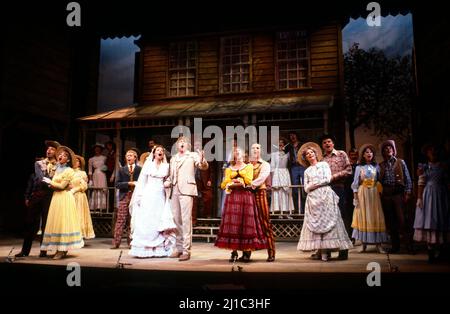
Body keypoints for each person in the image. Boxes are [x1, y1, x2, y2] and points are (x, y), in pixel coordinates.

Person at [297, 142, 353, 261]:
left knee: (330, 222)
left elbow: (327, 179)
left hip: (325, 195)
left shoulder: (324, 165)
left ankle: (329, 250)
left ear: (316, 154)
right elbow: (306, 188)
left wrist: (315, 184)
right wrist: (311, 186)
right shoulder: (307, 171)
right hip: (313, 199)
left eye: (312, 152)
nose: (310, 155)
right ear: (305, 157)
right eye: (308, 154)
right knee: (316, 224)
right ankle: (321, 251)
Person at [215, 147, 268, 262]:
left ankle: (246, 252)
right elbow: (224, 184)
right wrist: (231, 181)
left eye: (239, 152)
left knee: (245, 223)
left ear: (244, 155)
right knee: (233, 223)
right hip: (233, 197)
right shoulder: (229, 169)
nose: (237, 154)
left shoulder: (248, 166)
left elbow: (249, 180)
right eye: (235, 153)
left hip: (245, 196)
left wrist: (240, 180)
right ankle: (233, 251)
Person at [164, 136, 208, 261]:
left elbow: (202, 166)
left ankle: (186, 250)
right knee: (176, 220)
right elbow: (171, 175)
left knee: (186, 220)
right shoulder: (173, 158)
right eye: (180, 142)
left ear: (188, 145)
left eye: (184, 142)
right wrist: (167, 182)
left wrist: (203, 159)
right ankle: (178, 248)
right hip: (174, 190)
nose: (181, 144)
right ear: (177, 145)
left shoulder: (192, 155)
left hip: (187, 190)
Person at [129, 145, 176, 258]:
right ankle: (144, 248)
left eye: (162, 151)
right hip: (148, 194)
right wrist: (139, 196)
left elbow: (169, 178)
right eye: (158, 150)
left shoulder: (166, 166)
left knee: (158, 219)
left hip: (160, 195)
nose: (160, 152)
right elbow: (142, 182)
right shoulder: (148, 165)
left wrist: (168, 184)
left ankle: (159, 248)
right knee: (147, 218)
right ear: (154, 153)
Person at [15, 140, 60, 258]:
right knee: (30, 222)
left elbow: (60, 178)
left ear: (56, 152)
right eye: (48, 148)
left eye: (52, 149)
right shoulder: (39, 163)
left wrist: (54, 181)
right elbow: (40, 177)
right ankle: (25, 250)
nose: (49, 150)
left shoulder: (59, 165)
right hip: (38, 194)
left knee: (46, 223)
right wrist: (52, 181)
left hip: (50, 196)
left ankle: (43, 250)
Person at [40, 146, 84, 259]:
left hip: (64, 198)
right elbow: (56, 186)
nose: (61, 156)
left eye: (65, 156)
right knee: (56, 222)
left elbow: (62, 186)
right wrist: (51, 184)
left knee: (63, 222)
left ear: (68, 160)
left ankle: (62, 250)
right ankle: (58, 249)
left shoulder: (69, 170)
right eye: (60, 154)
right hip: (56, 197)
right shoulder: (57, 168)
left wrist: (51, 183)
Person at [414, 144, 450, 262]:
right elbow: (421, 183)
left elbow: (447, 182)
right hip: (428, 195)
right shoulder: (424, 167)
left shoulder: (443, 166)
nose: (433, 153)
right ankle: (430, 251)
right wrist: (419, 198)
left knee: (440, 220)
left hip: (441, 195)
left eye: (435, 150)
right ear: (427, 153)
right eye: (430, 151)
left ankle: (441, 251)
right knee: (429, 220)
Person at [351, 144, 388, 253]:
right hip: (363, 194)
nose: (369, 154)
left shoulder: (376, 167)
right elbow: (355, 184)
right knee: (364, 217)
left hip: (374, 194)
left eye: (370, 152)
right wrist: (355, 198)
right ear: (363, 155)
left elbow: (379, 180)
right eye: (366, 152)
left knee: (375, 216)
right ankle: (363, 244)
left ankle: (379, 244)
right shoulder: (359, 167)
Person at [321, 134, 352, 260]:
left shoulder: (341, 154)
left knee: (342, 218)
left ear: (333, 143)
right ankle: (327, 249)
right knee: (327, 220)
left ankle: (343, 250)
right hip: (325, 190)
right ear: (322, 146)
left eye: (329, 141)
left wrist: (333, 177)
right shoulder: (321, 159)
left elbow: (349, 170)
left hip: (339, 188)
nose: (327, 144)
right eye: (324, 142)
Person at [379, 140, 413, 253]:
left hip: (398, 193)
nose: (388, 149)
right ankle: (395, 246)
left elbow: (407, 178)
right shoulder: (381, 165)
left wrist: (408, 192)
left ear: (394, 150)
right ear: (383, 152)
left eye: (390, 148)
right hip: (387, 194)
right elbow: (378, 181)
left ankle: (409, 245)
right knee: (391, 221)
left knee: (402, 220)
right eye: (386, 148)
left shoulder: (400, 162)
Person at [111, 149, 142, 249]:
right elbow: (117, 184)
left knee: (133, 219)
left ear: (135, 158)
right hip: (124, 196)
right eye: (127, 155)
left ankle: (132, 242)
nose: (129, 157)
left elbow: (143, 183)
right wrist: (129, 183)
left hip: (136, 196)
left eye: (131, 155)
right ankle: (116, 242)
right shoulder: (122, 169)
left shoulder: (139, 169)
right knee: (121, 219)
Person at [250, 143, 276, 262]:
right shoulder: (247, 165)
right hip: (248, 195)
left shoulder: (265, 164)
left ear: (261, 151)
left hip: (260, 193)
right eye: (253, 148)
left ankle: (271, 251)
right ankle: (246, 253)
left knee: (265, 222)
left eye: (258, 148)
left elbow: (262, 178)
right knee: (248, 224)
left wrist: (249, 185)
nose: (255, 150)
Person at [71, 155, 95, 239]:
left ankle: (79, 235)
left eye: (77, 161)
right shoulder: (69, 172)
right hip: (69, 196)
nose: (76, 162)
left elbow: (84, 186)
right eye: (74, 160)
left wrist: (74, 190)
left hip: (79, 196)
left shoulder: (82, 173)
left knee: (79, 214)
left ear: (80, 164)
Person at [270, 138, 294, 216]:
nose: (280, 144)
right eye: (279, 143)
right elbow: (272, 167)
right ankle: (278, 212)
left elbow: (289, 163)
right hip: (276, 173)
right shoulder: (273, 154)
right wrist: (272, 179)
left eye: (282, 143)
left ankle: (287, 212)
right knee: (278, 191)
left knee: (286, 191)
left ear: (284, 144)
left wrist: (284, 152)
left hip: (285, 173)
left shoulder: (287, 154)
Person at [192, 140, 214, 224]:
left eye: (198, 145)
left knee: (208, 197)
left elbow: (211, 170)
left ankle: (207, 215)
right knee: (194, 200)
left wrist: (210, 180)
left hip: (204, 180)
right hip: (194, 180)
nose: (197, 146)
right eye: (195, 145)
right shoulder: (191, 156)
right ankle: (194, 219)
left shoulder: (207, 155)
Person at [285, 131, 305, 213]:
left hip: (302, 165)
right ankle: (298, 209)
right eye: (290, 136)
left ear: (297, 136)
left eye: (293, 135)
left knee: (304, 187)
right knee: (295, 188)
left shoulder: (302, 145)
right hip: (294, 167)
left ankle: (304, 209)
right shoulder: (289, 146)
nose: (292, 137)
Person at [88, 143, 108, 211]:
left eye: (98, 149)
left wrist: (105, 168)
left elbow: (107, 167)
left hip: (102, 174)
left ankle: (102, 206)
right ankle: (95, 206)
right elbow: (90, 171)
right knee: (95, 189)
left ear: (101, 150)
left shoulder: (104, 158)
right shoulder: (91, 159)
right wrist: (90, 180)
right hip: (95, 174)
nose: (97, 150)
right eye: (96, 149)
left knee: (102, 189)